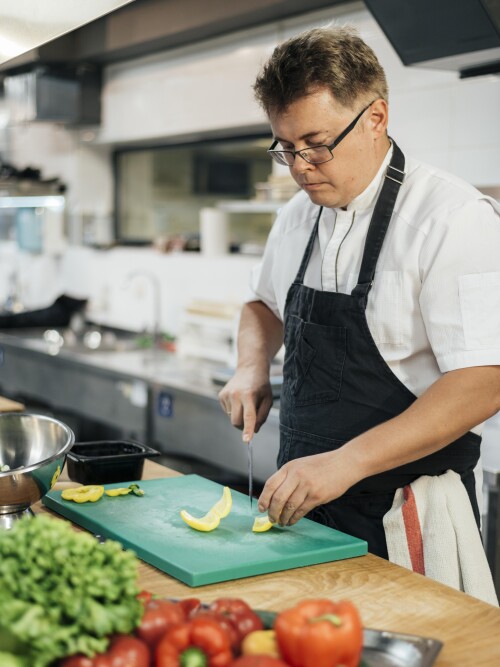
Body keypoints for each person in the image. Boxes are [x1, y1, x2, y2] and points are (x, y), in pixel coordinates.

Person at [218, 25, 500, 561]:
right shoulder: (296, 217)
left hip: (407, 517)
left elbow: (483, 381)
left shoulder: (451, 218)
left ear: (375, 118)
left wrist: (345, 463)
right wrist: (250, 366)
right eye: (286, 147)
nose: (300, 167)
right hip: (304, 507)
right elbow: (262, 305)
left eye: (317, 145)